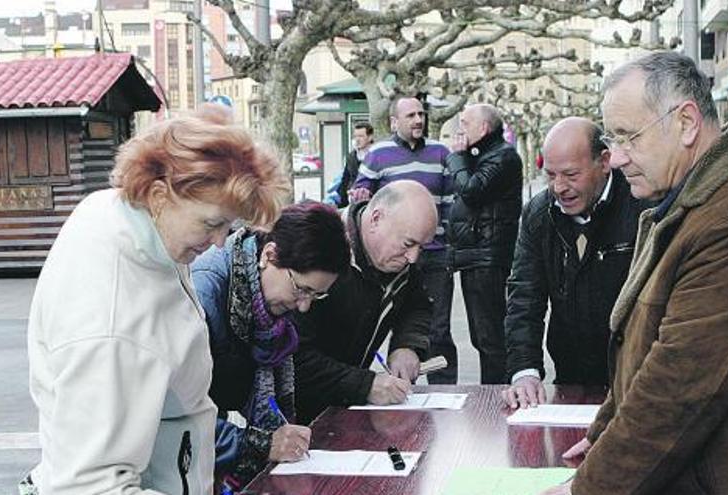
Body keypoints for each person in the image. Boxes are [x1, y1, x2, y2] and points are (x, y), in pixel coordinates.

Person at [542, 51, 728, 495]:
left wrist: (588, 488)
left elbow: (678, 390)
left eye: (628, 137)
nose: (616, 158)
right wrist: (604, 435)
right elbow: (646, 355)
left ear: (686, 123)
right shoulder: (696, 199)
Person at [24, 105, 290, 494]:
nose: (220, 242)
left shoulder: (138, 221)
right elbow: (89, 486)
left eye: (228, 227)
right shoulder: (111, 318)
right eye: (212, 223)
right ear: (159, 194)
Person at [191, 202, 351, 489]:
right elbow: (179, 419)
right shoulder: (205, 293)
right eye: (301, 289)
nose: (303, 307)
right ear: (270, 254)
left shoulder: (267, 307)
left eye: (316, 296)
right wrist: (262, 443)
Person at [501, 117, 646, 408]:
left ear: (604, 162)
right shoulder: (538, 215)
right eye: (550, 175)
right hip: (571, 380)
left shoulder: (642, 208)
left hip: (638, 383)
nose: (558, 187)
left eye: (570, 175)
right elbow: (524, 298)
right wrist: (524, 371)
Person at [294, 180, 438, 423]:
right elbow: (293, 357)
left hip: (343, 407)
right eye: (408, 244)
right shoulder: (317, 247)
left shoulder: (398, 259)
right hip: (294, 414)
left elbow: (417, 304)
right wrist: (365, 385)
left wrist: (407, 345)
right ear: (376, 219)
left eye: (421, 247)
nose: (413, 258)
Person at [351, 96, 456, 384]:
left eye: (421, 114)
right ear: (395, 122)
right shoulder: (378, 154)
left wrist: (438, 239)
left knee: (438, 328)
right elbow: (361, 192)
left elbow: (450, 201)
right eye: (410, 115)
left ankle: (445, 391)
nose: (418, 120)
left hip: (435, 251)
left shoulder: (440, 152)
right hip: (388, 248)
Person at [447, 103, 523, 384]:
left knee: (490, 336)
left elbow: (471, 191)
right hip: (475, 254)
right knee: (481, 336)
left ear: (483, 128)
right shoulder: (483, 155)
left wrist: (457, 158)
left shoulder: (502, 157)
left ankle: (497, 394)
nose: (460, 130)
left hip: (487, 256)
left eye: (465, 124)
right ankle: (493, 390)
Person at [335, 122, 374, 207]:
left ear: (370, 137)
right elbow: (345, 180)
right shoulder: (351, 156)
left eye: (361, 136)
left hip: (371, 202)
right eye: (355, 136)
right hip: (352, 202)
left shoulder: (376, 155)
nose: (357, 139)